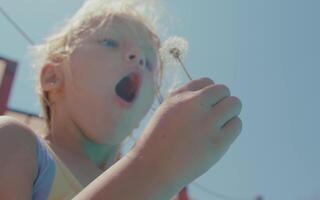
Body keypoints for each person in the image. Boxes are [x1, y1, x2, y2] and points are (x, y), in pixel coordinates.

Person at [0, 0, 243, 199]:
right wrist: (152, 169)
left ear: (145, 111)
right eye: (110, 42)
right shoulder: (14, 143)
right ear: (53, 76)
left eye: (149, 62)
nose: (138, 58)